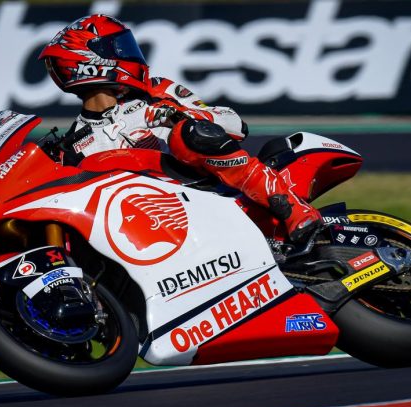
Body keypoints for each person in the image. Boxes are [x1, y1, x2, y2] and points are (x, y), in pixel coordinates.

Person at [39, 14, 322, 244]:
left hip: (205, 193)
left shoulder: (157, 90)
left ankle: (293, 209)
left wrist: (175, 115)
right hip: (145, 223)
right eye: (116, 48)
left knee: (190, 134)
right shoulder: (73, 145)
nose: (129, 54)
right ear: (87, 62)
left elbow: (235, 125)